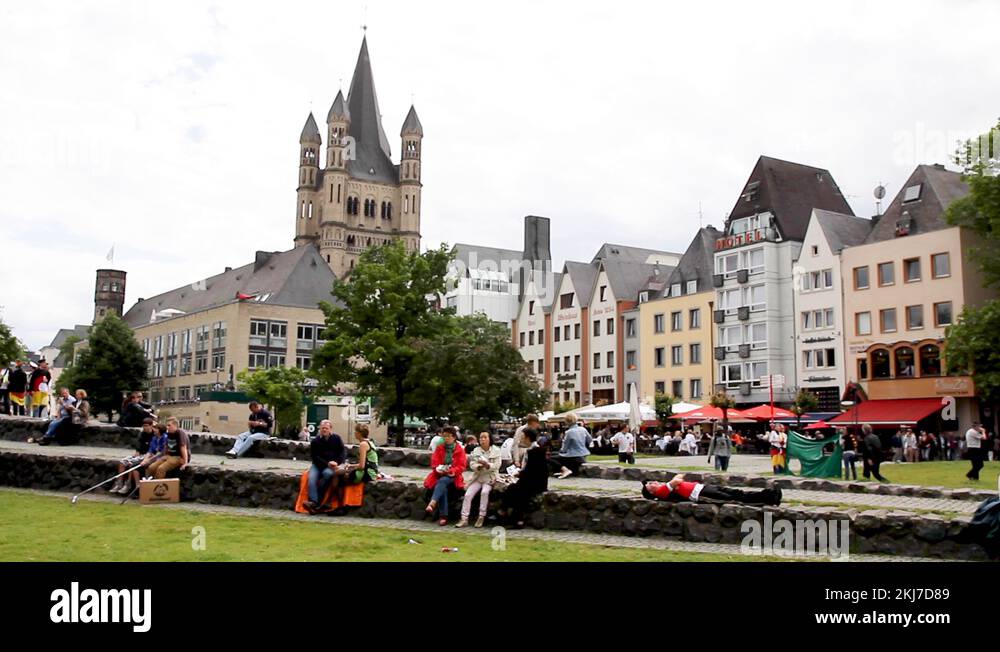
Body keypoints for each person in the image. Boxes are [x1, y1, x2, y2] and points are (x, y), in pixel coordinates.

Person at [499, 428, 549, 527]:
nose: (521, 439)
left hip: (536, 483)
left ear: (527, 438)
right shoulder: (532, 450)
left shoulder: (536, 451)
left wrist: (519, 474)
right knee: (513, 489)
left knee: (518, 492)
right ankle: (512, 516)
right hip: (531, 481)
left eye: (522, 437)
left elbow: (533, 471)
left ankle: (511, 516)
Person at [641, 474, 782, 506]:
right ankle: (769, 499)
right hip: (702, 494)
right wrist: (675, 482)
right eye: (650, 485)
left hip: (702, 488)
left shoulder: (665, 487)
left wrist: (675, 482)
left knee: (736, 493)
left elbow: (679, 476)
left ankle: (770, 495)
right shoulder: (661, 492)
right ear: (652, 492)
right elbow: (678, 479)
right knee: (735, 499)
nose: (653, 482)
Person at [423, 426, 467, 525]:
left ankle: (433, 503)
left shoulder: (460, 450)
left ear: (454, 437)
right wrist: (439, 469)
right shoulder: (440, 448)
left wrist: (451, 470)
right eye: (444, 436)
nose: (446, 438)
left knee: (443, 481)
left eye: (448, 436)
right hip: (439, 475)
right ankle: (444, 516)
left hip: (454, 476)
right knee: (443, 486)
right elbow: (434, 463)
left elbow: (461, 466)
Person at [457, 431, 501, 528]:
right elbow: (472, 464)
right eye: (481, 437)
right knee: (468, 494)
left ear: (490, 439)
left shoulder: (496, 451)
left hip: (490, 477)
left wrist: (488, 465)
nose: (482, 439)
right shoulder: (476, 450)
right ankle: (464, 518)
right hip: (478, 477)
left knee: (484, 492)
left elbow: (497, 465)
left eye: (485, 437)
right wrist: (479, 466)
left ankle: (481, 516)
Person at [303, 419, 346, 514]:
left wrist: (337, 463)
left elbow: (342, 452)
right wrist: (327, 463)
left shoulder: (337, 438)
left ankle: (318, 502)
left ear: (331, 429)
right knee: (311, 479)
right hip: (318, 465)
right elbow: (315, 457)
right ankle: (313, 502)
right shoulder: (315, 441)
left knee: (327, 475)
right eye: (322, 428)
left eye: (326, 428)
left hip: (332, 466)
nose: (324, 430)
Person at [111, 418, 163, 494]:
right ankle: (119, 483)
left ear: (151, 425)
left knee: (132, 463)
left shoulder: (154, 435)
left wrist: (147, 456)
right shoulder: (142, 434)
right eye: (144, 426)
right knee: (122, 462)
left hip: (148, 456)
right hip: (140, 454)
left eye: (147, 426)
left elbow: (153, 450)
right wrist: (137, 452)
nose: (145, 427)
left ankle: (128, 484)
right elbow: (138, 446)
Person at [548, 413, 591, 478]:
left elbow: (564, 449)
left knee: (550, 457)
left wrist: (560, 451)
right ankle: (562, 470)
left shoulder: (569, 432)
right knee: (555, 454)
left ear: (567, 422)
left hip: (573, 456)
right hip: (583, 455)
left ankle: (565, 470)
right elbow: (590, 440)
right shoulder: (583, 429)